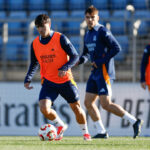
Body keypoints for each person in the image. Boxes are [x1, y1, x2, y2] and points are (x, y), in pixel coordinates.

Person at [77, 5, 143, 139]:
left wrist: (101, 61)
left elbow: (116, 48)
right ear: (85, 18)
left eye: (92, 17)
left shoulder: (101, 31)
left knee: (105, 104)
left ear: (97, 18)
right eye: (88, 18)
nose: (90, 20)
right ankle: (101, 131)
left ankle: (134, 121)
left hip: (104, 71)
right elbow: (85, 54)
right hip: (95, 72)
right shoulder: (88, 33)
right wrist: (79, 61)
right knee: (88, 103)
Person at [24, 14, 91, 141]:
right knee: (44, 108)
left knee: (76, 108)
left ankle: (86, 133)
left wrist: (65, 68)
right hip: (48, 81)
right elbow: (34, 63)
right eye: (38, 27)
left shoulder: (60, 38)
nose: (40, 30)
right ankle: (60, 125)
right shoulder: (34, 44)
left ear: (48, 25)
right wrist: (28, 78)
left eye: (42, 26)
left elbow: (75, 56)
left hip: (66, 80)